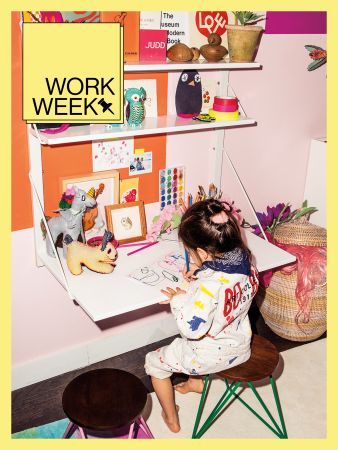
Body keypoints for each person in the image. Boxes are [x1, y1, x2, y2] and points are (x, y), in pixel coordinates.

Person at [144, 198, 259, 433]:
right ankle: (195, 383)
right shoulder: (245, 260)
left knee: (154, 362)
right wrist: (202, 270)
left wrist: (179, 299)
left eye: (189, 252)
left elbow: (191, 328)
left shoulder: (208, 287)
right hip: (239, 343)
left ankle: (171, 417)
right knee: (199, 337)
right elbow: (226, 288)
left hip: (210, 355)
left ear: (201, 252)